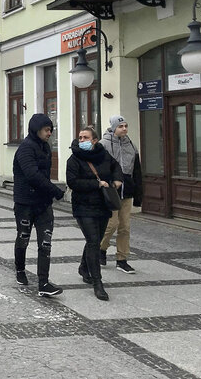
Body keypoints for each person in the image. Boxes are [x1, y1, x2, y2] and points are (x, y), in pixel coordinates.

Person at [66, 126, 123, 301]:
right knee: (93, 242)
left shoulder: (103, 154)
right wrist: (97, 184)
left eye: (85, 138)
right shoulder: (74, 158)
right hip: (83, 207)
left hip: (103, 205)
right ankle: (98, 283)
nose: (81, 140)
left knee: (96, 239)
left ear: (95, 140)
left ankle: (84, 268)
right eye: (80, 137)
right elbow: (73, 182)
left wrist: (117, 180)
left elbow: (116, 167)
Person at [13, 113, 66, 297]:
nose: (49, 133)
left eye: (51, 129)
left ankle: (43, 283)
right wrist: (56, 191)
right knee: (23, 238)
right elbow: (33, 176)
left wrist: (49, 193)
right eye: (46, 130)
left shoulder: (45, 147)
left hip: (43, 204)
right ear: (36, 130)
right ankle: (20, 270)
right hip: (25, 203)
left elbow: (44, 175)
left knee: (45, 243)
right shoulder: (25, 148)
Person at [99, 115, 143, 274]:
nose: (124, 129)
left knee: (125, 227)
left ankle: (122, 259)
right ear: (113, 128)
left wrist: (138, 194)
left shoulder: (131, 145)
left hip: (128, 189)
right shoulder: (103, 145)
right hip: (111, 191)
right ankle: (101, 248)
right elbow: (99, 168)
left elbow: (137, 170)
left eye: (125, 126)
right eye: (121, 126)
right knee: (111, 224)